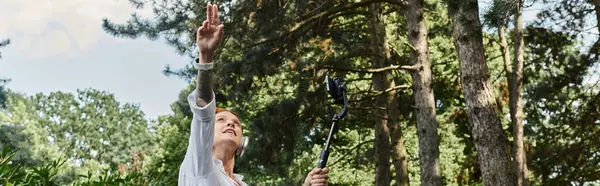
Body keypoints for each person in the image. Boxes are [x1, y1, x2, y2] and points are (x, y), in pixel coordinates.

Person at [178, 3, 330, 186]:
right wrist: (206, 57)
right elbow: (203, 108)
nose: (230, 124)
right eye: (221, 120)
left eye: (236, 123)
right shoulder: (199, 166)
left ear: (242, 142)